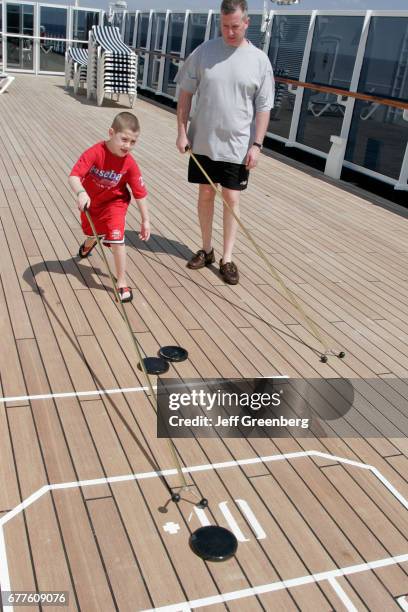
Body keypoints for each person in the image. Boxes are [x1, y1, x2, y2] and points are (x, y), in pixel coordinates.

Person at [175, 0, 274, 285]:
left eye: (234, 26)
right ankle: (206, 249)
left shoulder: (259, 61)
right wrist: (182, 132)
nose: (229, 32)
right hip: (203, 141)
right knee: (206, 193)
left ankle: (227, 258)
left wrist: (257, 145)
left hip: (238, 145)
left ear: (246, 23)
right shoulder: (204, 52)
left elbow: (264, 108)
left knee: (231, 199)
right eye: (224, 26)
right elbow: (185, 93)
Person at [69, 111, 150, 303]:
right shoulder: (95, 152)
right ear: (111, 132)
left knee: (117, 238)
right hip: (92, 202)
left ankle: (122, 282)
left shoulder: (129, 163)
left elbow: (140, 192)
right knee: (91, 233)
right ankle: (89, 244)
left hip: (116, 203)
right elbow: (74, 175)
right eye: (124, 139)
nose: (127, 146)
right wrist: (81, 192)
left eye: (133, 142)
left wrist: (145, 220)